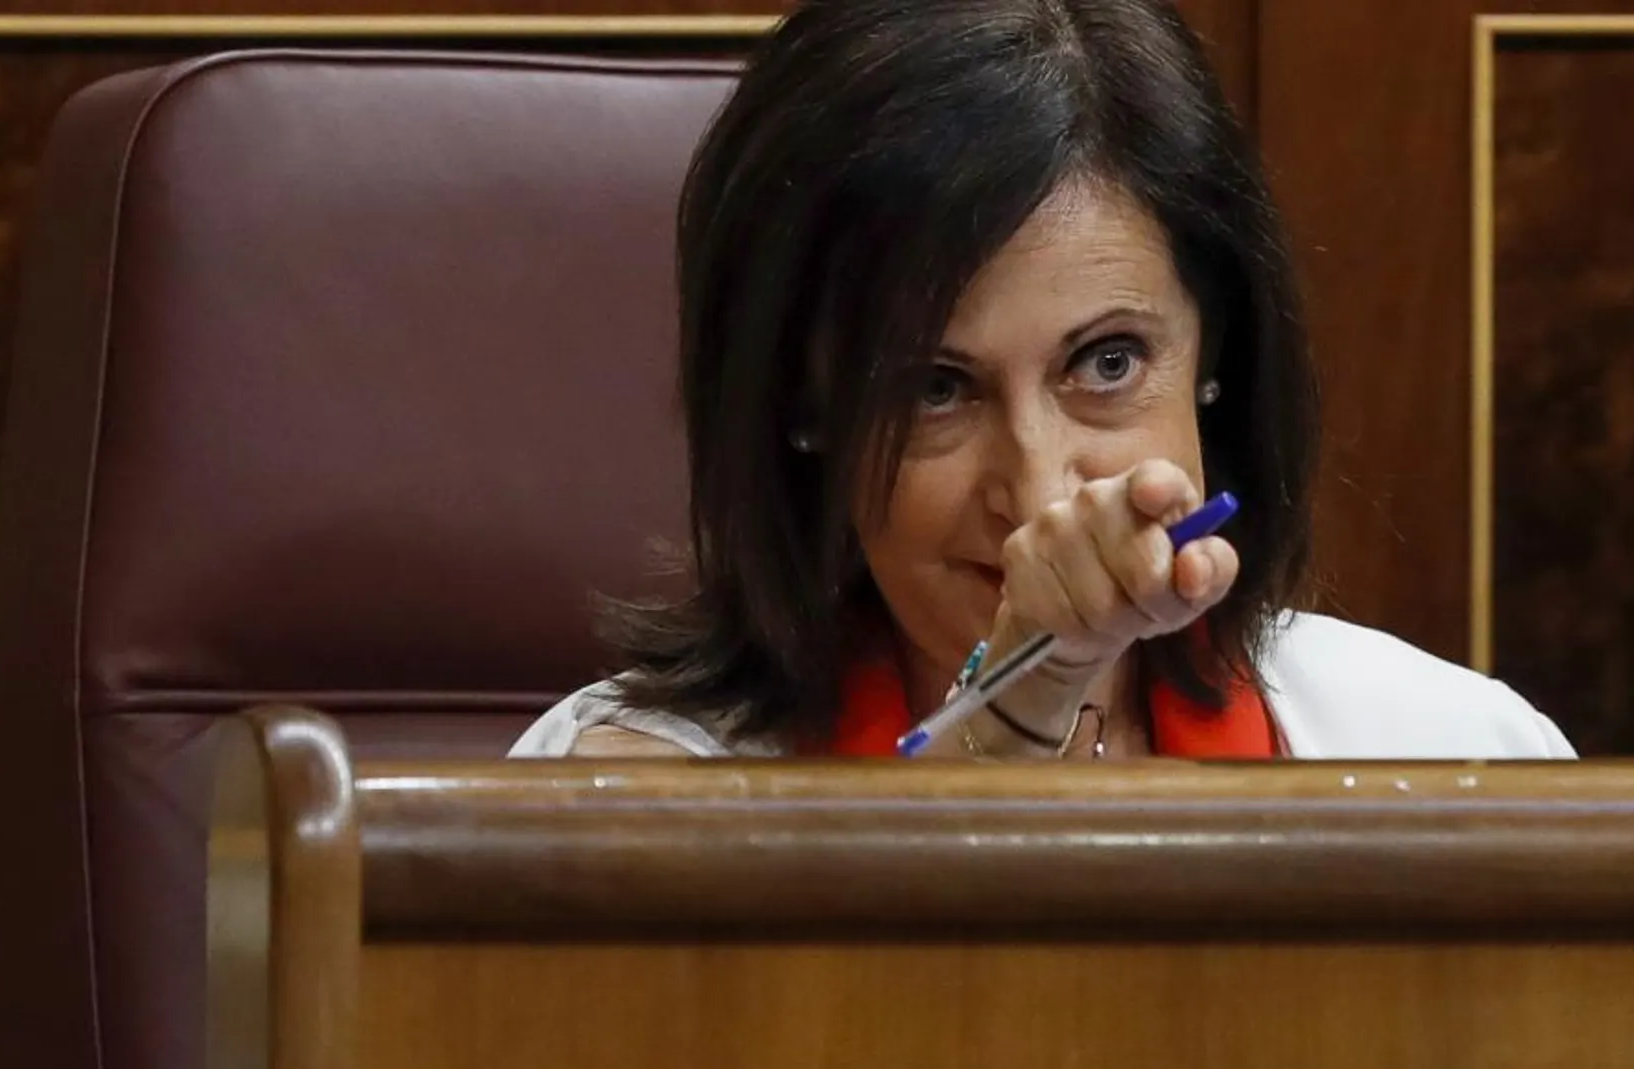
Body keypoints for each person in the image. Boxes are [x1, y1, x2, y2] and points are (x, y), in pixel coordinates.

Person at [512, 0, 1575, 761]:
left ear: (1215, 357)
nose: (1038, 494)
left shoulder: (1453, 751)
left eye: (1106, 363)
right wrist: (1015, 711)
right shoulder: (626, 790)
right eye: (935, 388)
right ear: (803, 406)